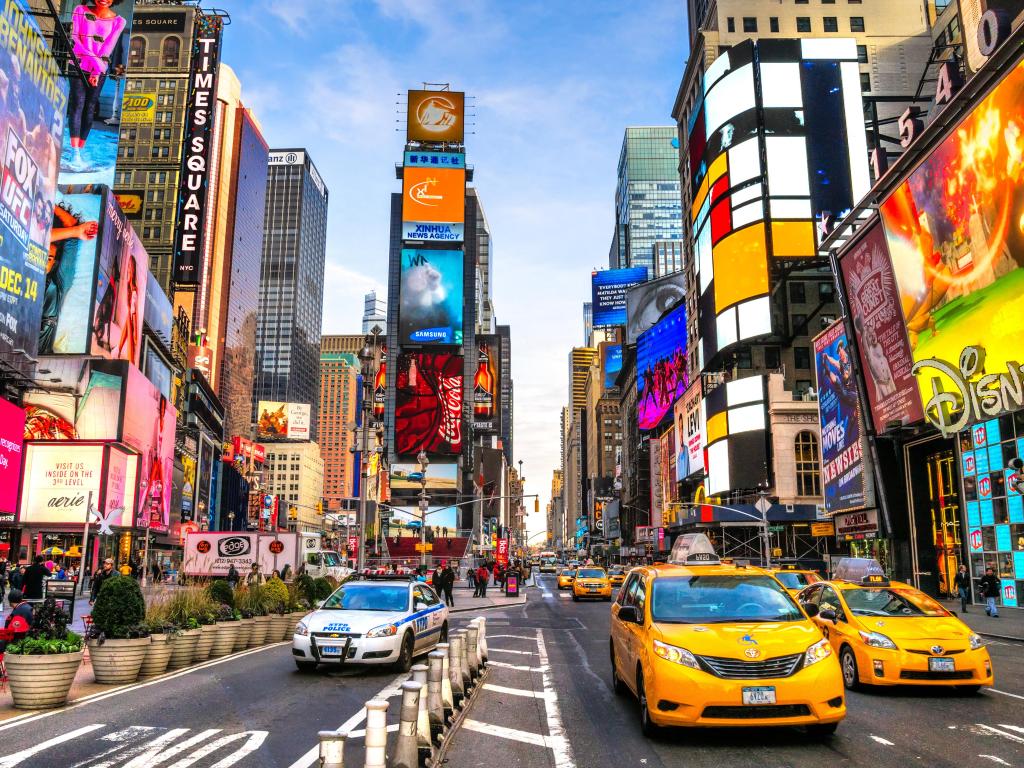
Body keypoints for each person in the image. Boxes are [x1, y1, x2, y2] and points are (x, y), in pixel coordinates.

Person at [66, 1, 127, 169]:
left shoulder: (119, 21)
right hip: (78, 64)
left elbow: (108, 47)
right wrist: (95, 62)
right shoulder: (80, 10)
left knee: (90, 107)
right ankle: (74, 153)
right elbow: (75, 39)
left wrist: (96, 71)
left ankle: (80, 149)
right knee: (77, 104)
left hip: (99, 70)